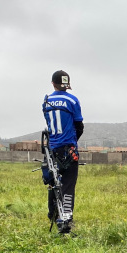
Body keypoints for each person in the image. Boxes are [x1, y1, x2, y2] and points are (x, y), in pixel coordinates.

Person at [43, 70, 83, 234]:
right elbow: (79, 125)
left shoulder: (46, 101)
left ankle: (53, 213)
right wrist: (72, 141)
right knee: (68, 184)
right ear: (67, 85)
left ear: (53, 83)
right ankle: (66, 218)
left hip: (52, 149)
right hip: (69, 149)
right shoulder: (72, 100)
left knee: (53, 182)